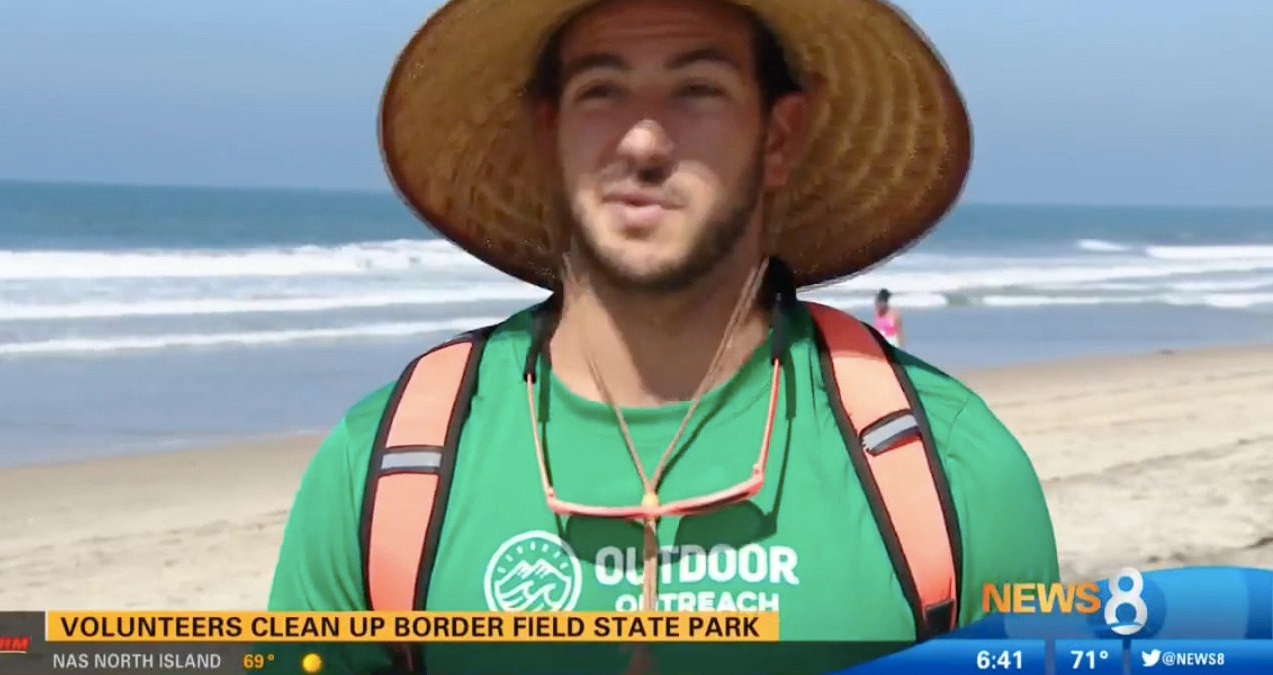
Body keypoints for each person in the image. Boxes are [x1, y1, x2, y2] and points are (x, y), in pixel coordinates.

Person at [269, 0, 1058, 673]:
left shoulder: (946, 474)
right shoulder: (387, 471)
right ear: (549, 134)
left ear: (779, 137)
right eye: (602, 90)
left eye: (698, 90)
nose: (643, 143)